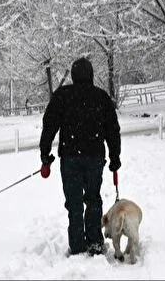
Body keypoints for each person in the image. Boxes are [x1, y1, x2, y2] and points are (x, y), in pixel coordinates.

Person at [39, 57, 121, 257]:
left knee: (74, 203)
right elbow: (112, 129)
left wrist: (45, 153)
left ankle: (76, 245)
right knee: (93, 199)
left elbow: (49, 125)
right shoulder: (101, 97)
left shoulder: (62, 96)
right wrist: (114, 156)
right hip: (95, 157)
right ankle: (94, 242)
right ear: (91, 75)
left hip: (70, 158)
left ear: (74, 75)